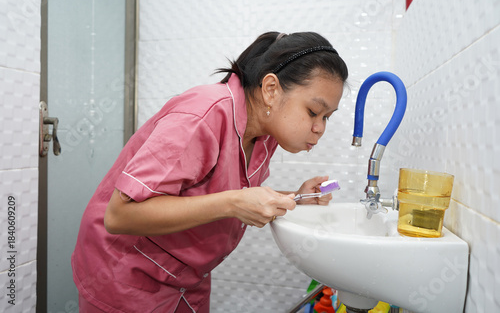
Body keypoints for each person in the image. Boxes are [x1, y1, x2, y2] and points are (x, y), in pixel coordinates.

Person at [72, 31, 348, 312]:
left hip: (186, 279)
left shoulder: (265, 134)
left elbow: (218, 191)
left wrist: (295, 198)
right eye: (314, 112)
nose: (320, 128)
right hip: (126, 274)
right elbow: (119, 215)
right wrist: (234, 203)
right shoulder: (201, 115)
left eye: (327, 117)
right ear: (271, 90)